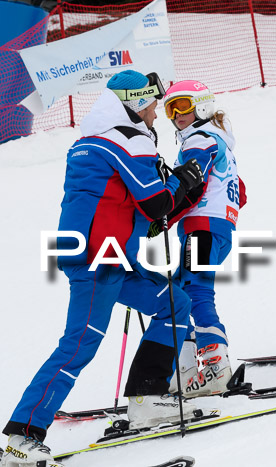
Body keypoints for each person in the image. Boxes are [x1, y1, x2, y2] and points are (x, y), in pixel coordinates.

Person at [1, 70, 205, 467]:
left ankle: (146, 396)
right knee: (78, 345)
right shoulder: (126, 140)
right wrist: (182, 181)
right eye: (149, 104)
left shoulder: (95, 140)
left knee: (175, 304)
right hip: (99, 261)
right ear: (133, 103)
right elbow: (156, 204)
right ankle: (19, 436)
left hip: (110, 258)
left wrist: (176, 190)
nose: (155, 113)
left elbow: (137, 212)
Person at [155, 80, 244, 397]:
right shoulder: (222, 141)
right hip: (214, 227)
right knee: (179, 292)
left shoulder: (200, 139)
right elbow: (240, 191)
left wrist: (159, 209)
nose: (177, 114)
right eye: (170, 108)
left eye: (184, 105)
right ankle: (187, 369)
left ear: (202, 105)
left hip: (203, 228)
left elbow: (190, 178)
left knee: (195, 291)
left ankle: (217, 367)